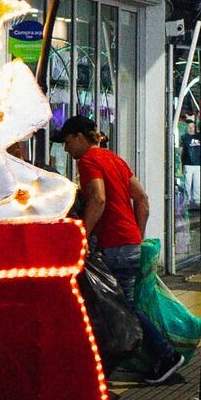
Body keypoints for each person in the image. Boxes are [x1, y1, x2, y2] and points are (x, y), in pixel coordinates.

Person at [57, 117, 183, 385]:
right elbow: (142, 199)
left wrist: (81, 236)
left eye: (68, 142)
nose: (66, 149)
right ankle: (126, 362)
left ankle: (165, 356)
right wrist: (137, 235)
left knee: (119, 307)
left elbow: (99, 199)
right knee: (120, 306)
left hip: (113, 245)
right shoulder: (115, 159)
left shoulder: (88, 161)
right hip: (129, 243)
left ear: (79, 137)